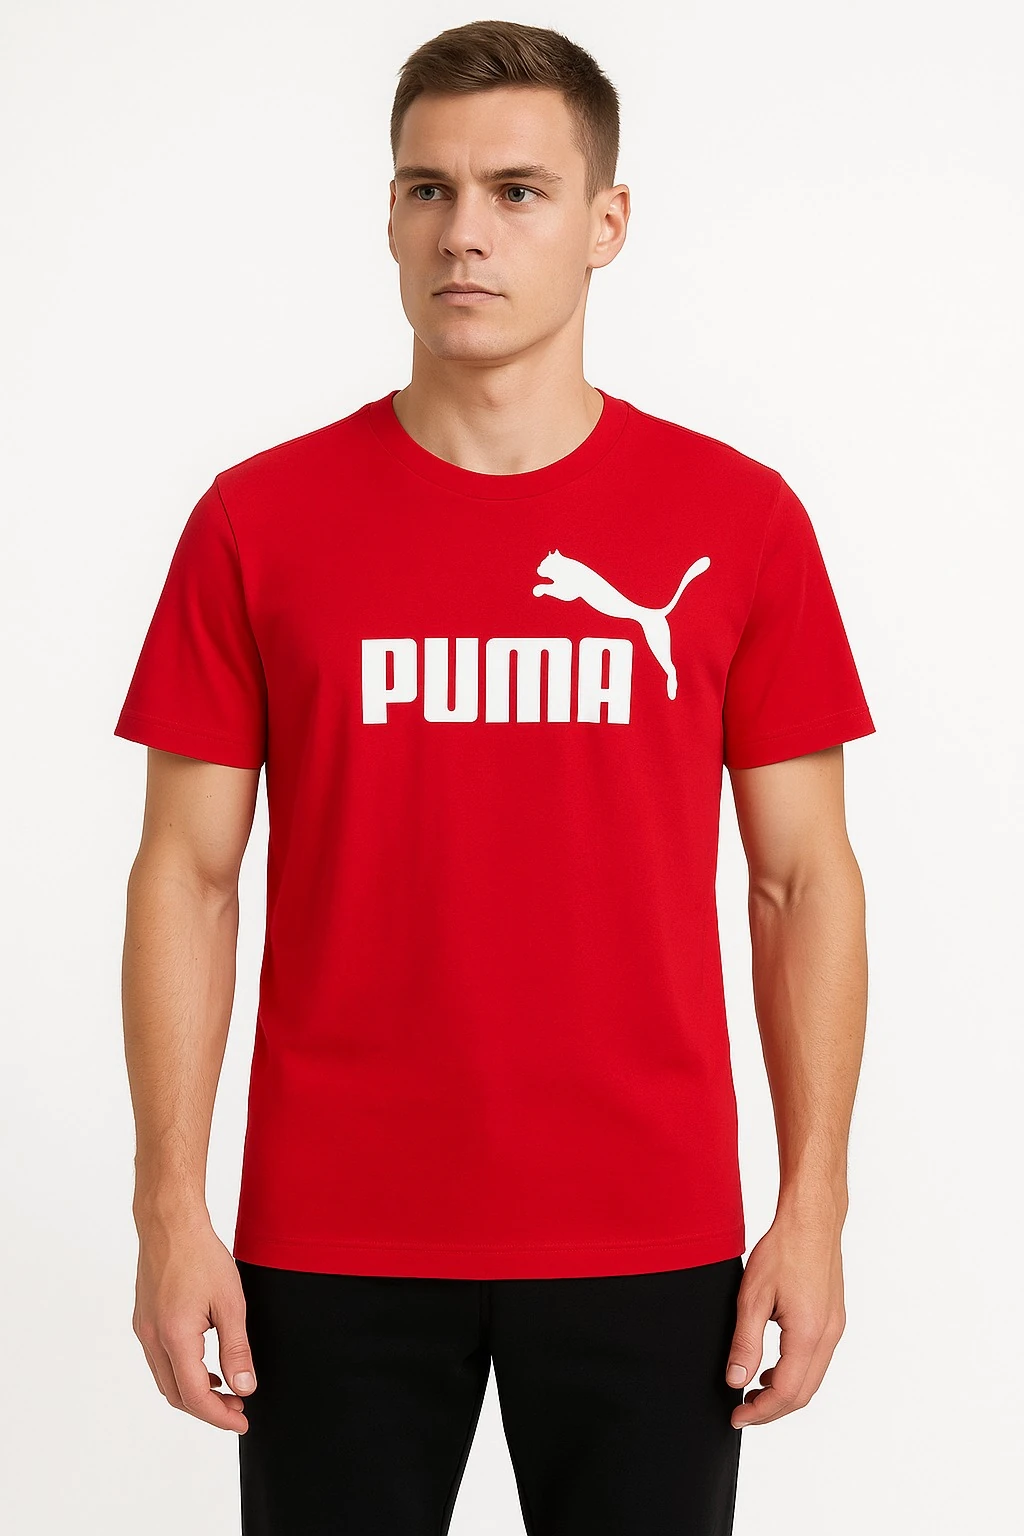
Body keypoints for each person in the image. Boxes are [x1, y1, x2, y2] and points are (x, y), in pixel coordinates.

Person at [114, 19, 876, 1536]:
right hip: (331, 1234)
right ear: (391, 216)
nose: (465, 231)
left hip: (648, 1232)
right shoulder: (258, 521)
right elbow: (187, 877)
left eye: (519, 191)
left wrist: (814, 1210)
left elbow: (802, 880)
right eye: (429, 189)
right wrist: (168, 1209)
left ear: (607, 222)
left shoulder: (741, 519)